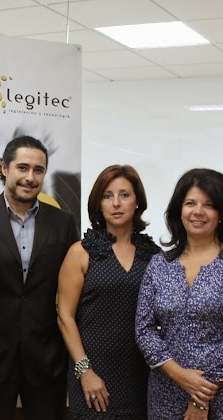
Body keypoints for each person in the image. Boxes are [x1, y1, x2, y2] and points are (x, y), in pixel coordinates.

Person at [136, 168, 223, 419]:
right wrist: (180, 375)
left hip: (219, 398)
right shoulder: (159, 264)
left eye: (209, 205)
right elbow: (144, 329)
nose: (198, 211)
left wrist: (200, 401)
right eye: (190, 203)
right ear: (179, 210)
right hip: (165, 392)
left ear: (222, 213)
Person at [0, 136, 78, 420]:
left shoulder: (63, 223)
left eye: (38, 170)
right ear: (4, 168)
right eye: (22, 167)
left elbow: (71, 289)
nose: (30, 177)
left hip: (46, 358)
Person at [57, 164, 160, 419]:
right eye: (107, 196)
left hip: (141, 378)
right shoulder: (81, 252)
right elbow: (65, 316)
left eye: (124, 195)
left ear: (137, 201)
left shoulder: (155, 256)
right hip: (91, 377)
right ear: (98, 204)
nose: (116, 203)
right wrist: (85, 371)